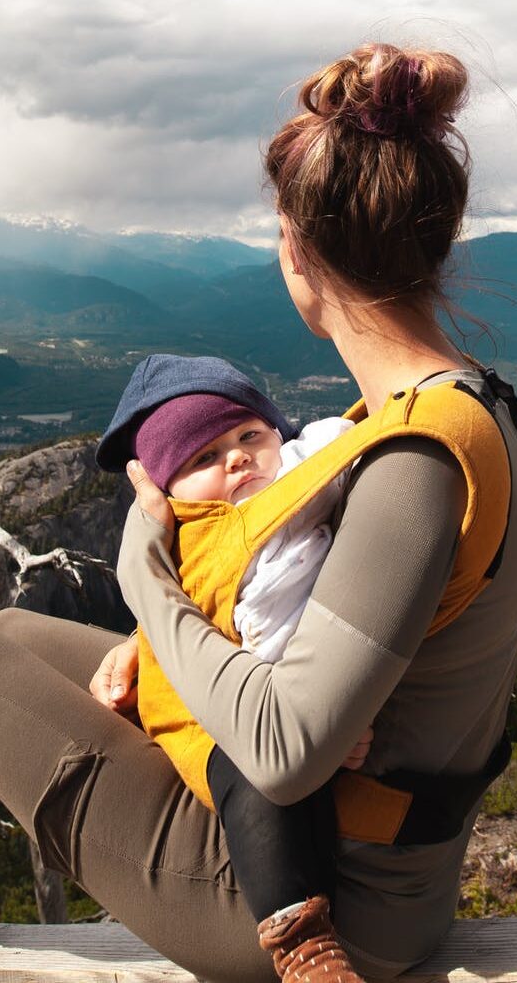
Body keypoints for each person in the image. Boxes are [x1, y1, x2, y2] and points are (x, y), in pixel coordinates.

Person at [0, 42, 517, 983]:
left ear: (297, 249)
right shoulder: (459, 407)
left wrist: (147, 582)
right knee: (15, 637)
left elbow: (281, 751)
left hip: (312, 902)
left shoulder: (413, 463)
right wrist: (166, 645)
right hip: (359, 853)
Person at [89, 353, 367, 976]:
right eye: (203, 458)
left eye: (249, 436)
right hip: (209, 714)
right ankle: (302, 944)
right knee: (258, 786)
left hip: (306, 692)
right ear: (168, 491)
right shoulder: (196, 538)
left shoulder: (306, 477)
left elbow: (344, 440)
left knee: (300, 785)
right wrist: (140, 639)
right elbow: (192, 614)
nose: (237, 458)